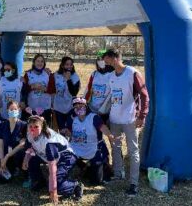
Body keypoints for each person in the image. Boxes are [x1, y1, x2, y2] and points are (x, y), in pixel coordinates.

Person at [102, 49, 149, 197]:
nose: (105, 62)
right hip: (115, 119)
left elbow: (144, 95)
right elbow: (111, 97)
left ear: (115, 58)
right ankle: (118, 174)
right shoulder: (110, 76)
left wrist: (142, 115)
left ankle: (134, 183)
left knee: (133, 150)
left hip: (130, 120)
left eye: (107, 59)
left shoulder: (132, 73)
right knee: (115, 147)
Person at [20, 115, 83, 204]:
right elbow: (30, 148)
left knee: (58, 185)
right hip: (46, 155)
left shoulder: (49, 142)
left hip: (65, 156)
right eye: (30, 126)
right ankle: (39, 181)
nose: (32, 129)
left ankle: (75, 185)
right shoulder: (30, 133)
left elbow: (52, 168)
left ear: (42, 127)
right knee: (31, 159)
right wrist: (26, 159)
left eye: (36, 127)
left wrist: (53, 191)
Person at [63, 97, 115, 185]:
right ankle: (84, 167)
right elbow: (69, 133)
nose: (79, 108)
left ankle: (102, 166)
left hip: (94, 149)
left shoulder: (93, 117)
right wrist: (65, 132)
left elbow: (103, 127)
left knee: (96, 181)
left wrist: (110, 135)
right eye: (76, 106)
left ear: (86, 107)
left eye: (81, 105)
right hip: (77, 148)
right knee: (67, 157)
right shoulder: (72, 119)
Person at [0, 101, 27, 183]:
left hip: (16, 154)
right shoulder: (2, 125)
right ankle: (7, 168)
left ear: (19, 110)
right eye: (11, 109)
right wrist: (2, 160)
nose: (13, 111)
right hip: (7, 155)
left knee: (20, 153)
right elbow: (0, 146)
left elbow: (22, 144)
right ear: (7, 110)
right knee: (3, 180)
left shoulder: (24, 125)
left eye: (15, 109)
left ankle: (22, 171)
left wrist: (7, 156)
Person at [23, 54, 55, 125]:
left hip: (45, 107)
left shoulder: (48, 74)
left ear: (44, 63)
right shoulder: (28, 74)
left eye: (42, 61)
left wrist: (44, 89)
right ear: (34, 62)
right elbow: (24, 90)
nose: (40, 63)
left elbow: (53, 90)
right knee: (33, 127)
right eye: (38, 61)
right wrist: (32, 86)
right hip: (32, 107)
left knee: (45, 128)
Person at [83, 50, 114, 123]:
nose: (101, 62)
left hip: (105, 110)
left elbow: (112, 94)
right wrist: (84, 102)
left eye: (102, 60)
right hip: (92, 109)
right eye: (99, 60)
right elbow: (88, 89)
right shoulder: (94, 74)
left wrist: (104, 109)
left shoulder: (113, 74)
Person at [52, 56, 80, 130]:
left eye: (71, 64)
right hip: (58, 107)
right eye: (67, 64)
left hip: (70, 107)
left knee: (69, 130)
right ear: (62, 65)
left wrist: (68, 80)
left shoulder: (75, 77)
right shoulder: (56, 75)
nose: (69, 66)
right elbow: (51, 88)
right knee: (61, 130)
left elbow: (74, 93)